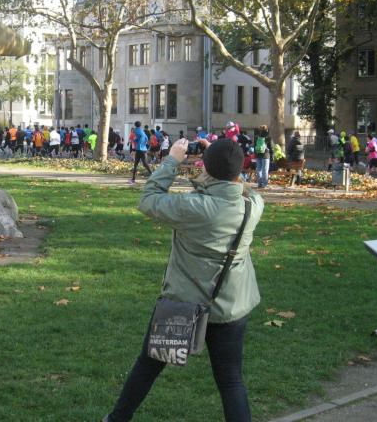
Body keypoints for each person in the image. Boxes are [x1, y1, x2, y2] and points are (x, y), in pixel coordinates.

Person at [103, 137, 263, 422]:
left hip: (184, 305)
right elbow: (240, 187)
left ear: (206, 168)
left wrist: (172, 161)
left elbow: (149, 199)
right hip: (231, 306)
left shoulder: (194, 207)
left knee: (148, 367)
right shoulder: (253, 205)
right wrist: (222, 161)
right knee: (231, 381)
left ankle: (116, 419)